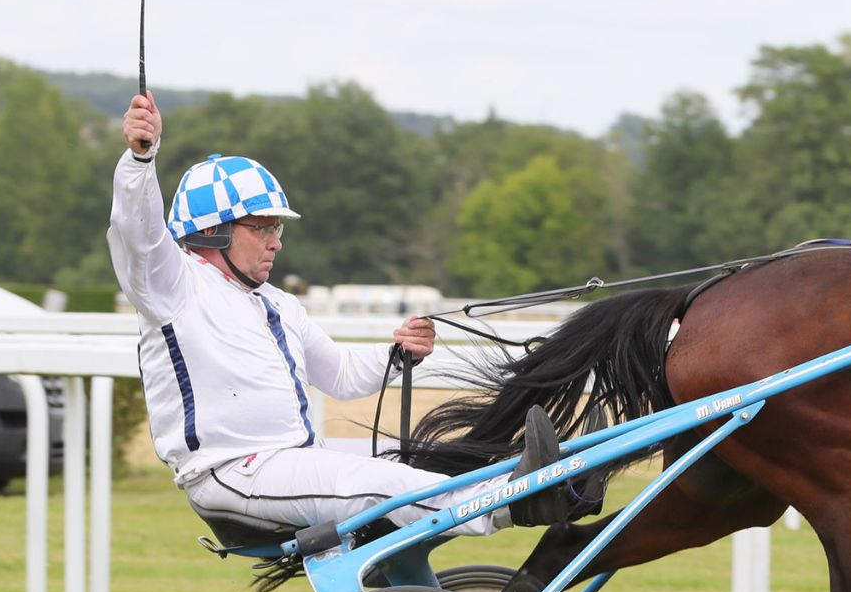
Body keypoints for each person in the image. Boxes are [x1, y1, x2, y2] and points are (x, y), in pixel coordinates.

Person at [108, 92, 541, 543]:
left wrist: (398, 353)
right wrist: (141, 159)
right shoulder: (172, 286)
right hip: (230, 475)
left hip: (286, 465)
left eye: (278, 228)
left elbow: (340, 374)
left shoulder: (277, 303)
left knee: (397, 462)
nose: (276, 242)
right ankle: (513, 501)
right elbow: (136, 234)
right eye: (263, 227)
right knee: (378, 486)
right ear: (213, 232)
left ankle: (514, 487)